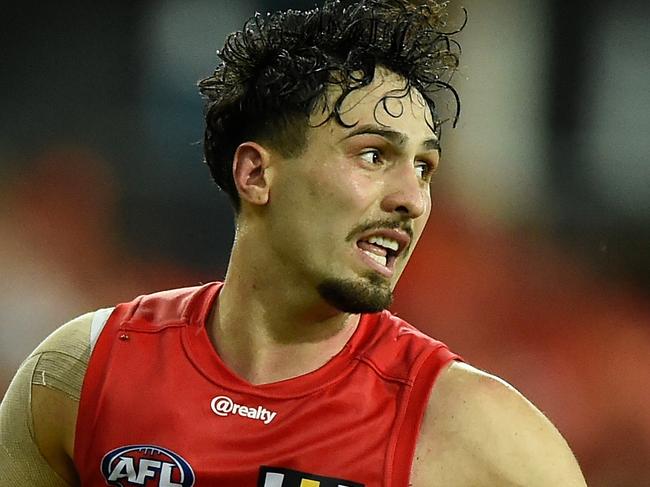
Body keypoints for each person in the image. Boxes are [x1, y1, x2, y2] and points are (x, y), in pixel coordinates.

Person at [0, 1, 587, 485]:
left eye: (425, 167)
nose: (412, 197)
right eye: (373, 155)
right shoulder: (81, 375)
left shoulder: (477, 432)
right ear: (256, 175)